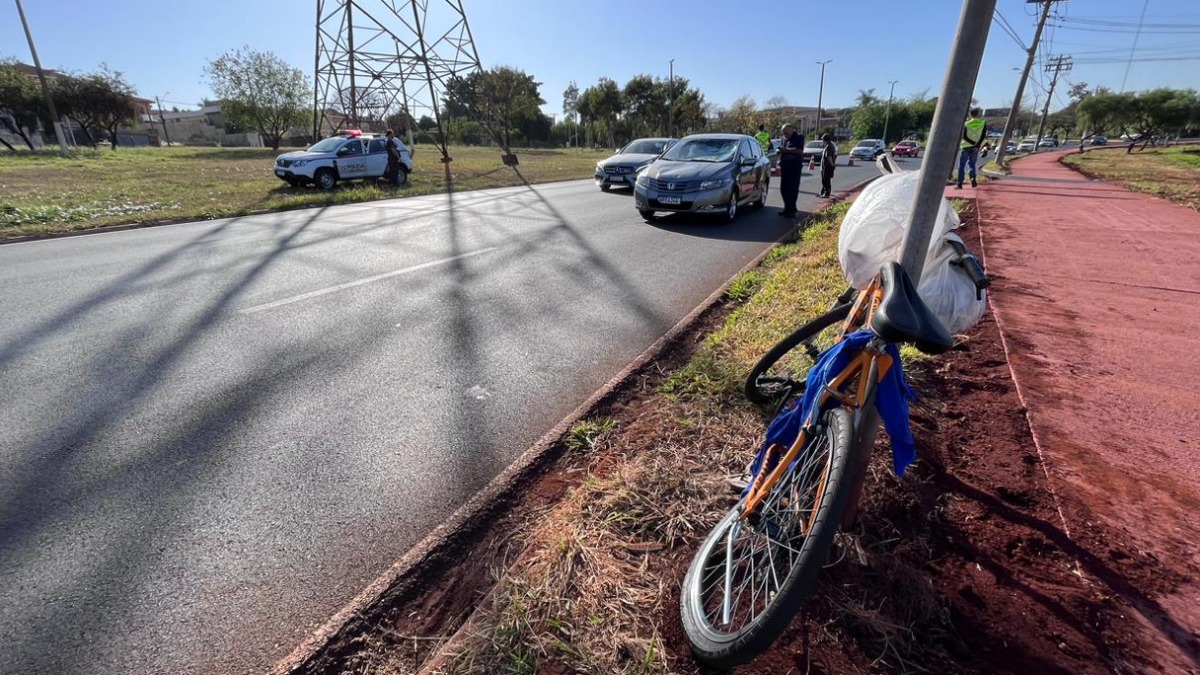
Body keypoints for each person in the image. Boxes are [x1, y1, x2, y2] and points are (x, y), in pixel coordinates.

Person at [777, 124, 805, 217]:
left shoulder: (799, 138)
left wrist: (787, 150)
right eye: (784, 133)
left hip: (794, 167)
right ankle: (787, 208)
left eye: (787, 133)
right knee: (784, 189)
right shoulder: (784, 139)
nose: (785, 135)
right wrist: (780, 150)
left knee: (792, 189)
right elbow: (782, 149)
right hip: (785, 166)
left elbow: (799, 151)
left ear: (792, 130)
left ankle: (791, 211)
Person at [956, 107, 986, 189]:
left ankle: (959, 183)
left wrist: (971, 143)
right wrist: (977, 145)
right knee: (972, 164)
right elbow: (983, 135)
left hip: (965, 146)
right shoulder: (983, 123)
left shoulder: (966, 124)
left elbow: (964, 136)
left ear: (970, 114)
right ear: (978, 114)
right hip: (975, 147)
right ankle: (972, 178)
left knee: (961, 165)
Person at [818, 133, 837, 198]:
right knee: (825, 180)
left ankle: (826, 194)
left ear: (826, 140)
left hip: (827, 166)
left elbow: (829, 157)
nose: (822, 141)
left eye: (823, 140)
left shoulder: (829, 147)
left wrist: (832, 164)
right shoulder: (830, 146)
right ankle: (823, 192)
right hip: (826, 166)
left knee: (826, 180)